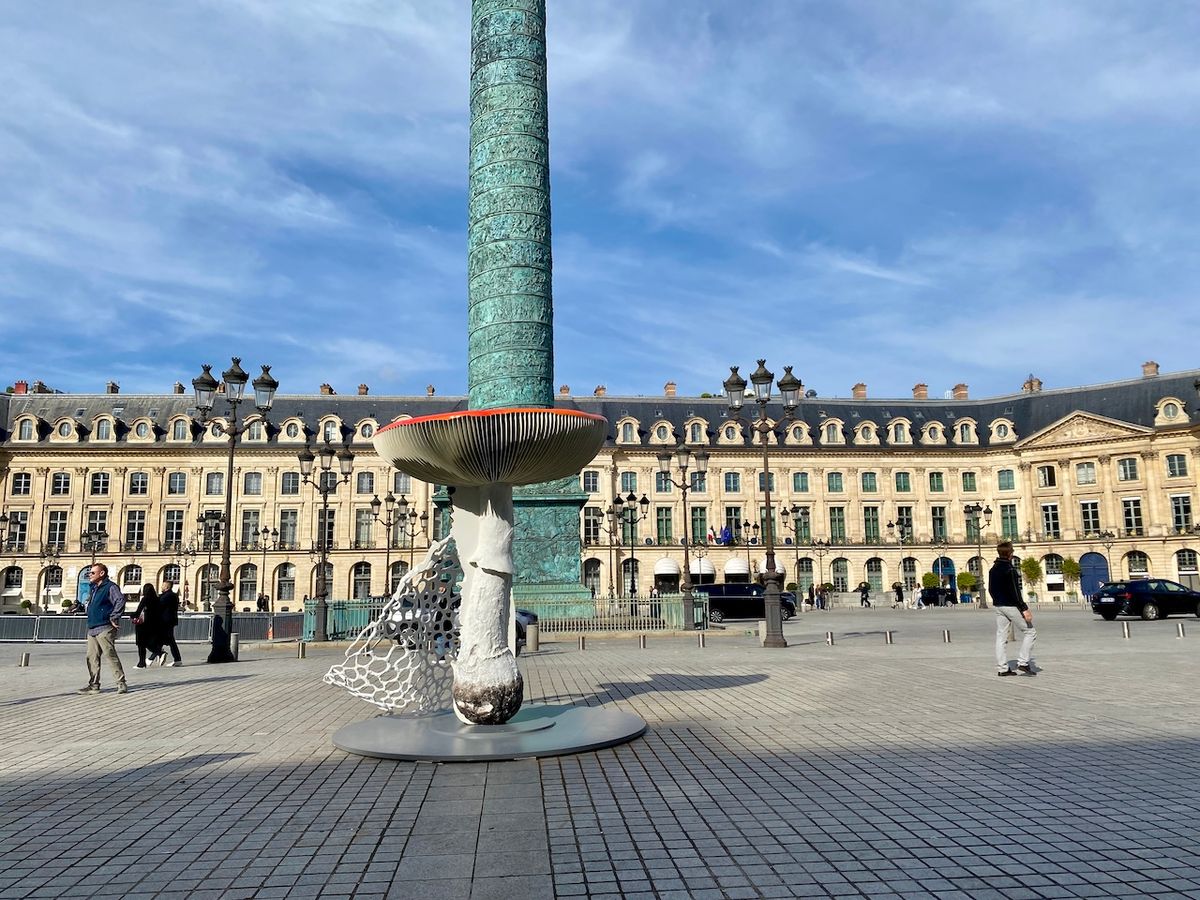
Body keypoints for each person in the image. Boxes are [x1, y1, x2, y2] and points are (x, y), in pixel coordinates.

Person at [989, 540, 1037, 676]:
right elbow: (1016, 592)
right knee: (1030, 632)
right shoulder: (1010, 570)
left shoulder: (993, 569)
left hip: (999, 606)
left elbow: (991, 589)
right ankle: (1023, 662)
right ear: (1010, 553)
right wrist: (1024, 608)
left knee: (1001, 636)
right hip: (1011, 606)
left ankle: (1002, 668)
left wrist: (997, 600)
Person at [79, 563, 128, 694]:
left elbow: (120, 600)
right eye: (89, 573)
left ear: (102, 573)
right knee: (91, 657)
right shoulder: (94, 588)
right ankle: (94, 685)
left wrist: (114, 616)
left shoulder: (110, 587)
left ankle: (121, 682)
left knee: (110, 654)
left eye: (93, 573)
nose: (90, 575)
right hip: (92, 627)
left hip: (105, 626)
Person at [132, 584, 163, 668]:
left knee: (141, 644)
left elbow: (138, 611)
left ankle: (142, 663)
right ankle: (158, 652)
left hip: (143, 624)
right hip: (154, 624)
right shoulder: (157, 599)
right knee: (149, 642)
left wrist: (132, 616)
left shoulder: (145, 599)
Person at [159, 579, 183, 667]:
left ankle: (155, 655)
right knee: (169, 640)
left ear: (166, 587)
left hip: (165, 621)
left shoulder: (167, 596)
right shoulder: (172, 595)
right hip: (169, 621)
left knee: (159, 639)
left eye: (162, 585)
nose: (161, 587)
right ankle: (177, 659)